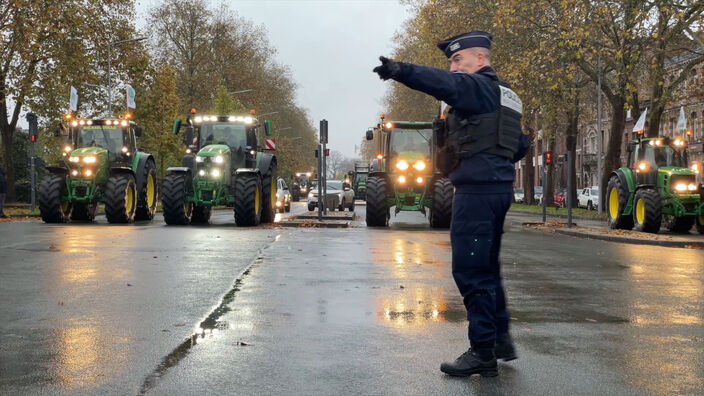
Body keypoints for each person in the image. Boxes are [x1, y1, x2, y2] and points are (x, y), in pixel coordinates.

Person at [373, 31, 529, 377]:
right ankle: (500, 338)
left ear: (481, 60)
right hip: (497, 189)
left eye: (459, 60)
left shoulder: (476, 88)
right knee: (487, 268)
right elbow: (520, 146)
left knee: (471, 270)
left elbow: (444, 84)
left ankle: (482, 351)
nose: (454, 67)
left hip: (476, 191)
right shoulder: (508, 98)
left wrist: (401, 70)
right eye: (452, 63)